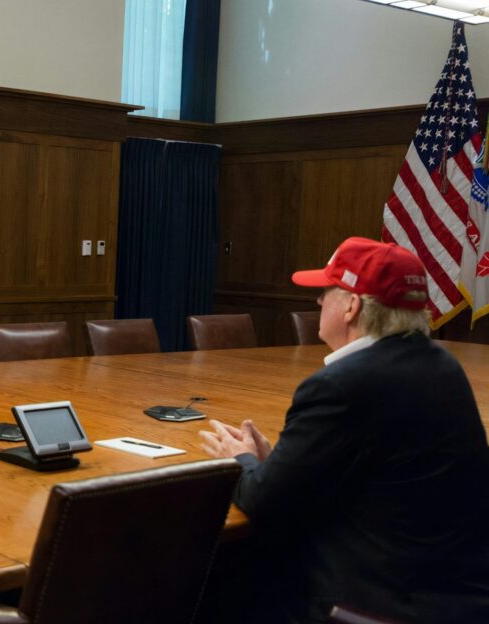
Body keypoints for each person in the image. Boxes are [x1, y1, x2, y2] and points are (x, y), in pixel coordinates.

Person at [199, 237, 489, 623]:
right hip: (456, 597)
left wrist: (241, 460)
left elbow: (265, 501)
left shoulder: (341, 385)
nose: (318, 302)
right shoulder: (442, 366)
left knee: (221, 580)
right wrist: (281, 465)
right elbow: (376, 472)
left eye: (325, 292)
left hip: (378, 605)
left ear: (352, 306)